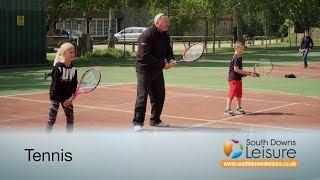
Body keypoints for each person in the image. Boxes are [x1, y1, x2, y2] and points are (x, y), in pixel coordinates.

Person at [132, 13, 176, 132]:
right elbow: (144, 55)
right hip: (144, 69)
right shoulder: (146, 35)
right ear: (157, 22)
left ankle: (155, 120)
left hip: (157, 70)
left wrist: (170, 59)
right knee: (142, 95)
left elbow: (168, 50)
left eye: (168, 21)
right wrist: (163, 64)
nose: (168, 23)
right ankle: (137, 122)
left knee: (159, 95)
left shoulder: (165, 35)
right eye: (166, 21)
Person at [44, 43, 78, 132]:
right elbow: (56, 87)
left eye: (74, 52)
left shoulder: (74, 68)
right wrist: (64, 100)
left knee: (70, 119)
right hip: (55, 96)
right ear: (63, 54)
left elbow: (74, 83)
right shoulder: (58, 68)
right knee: (52, 120)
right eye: (70, 52)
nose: (73, 54)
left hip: (67, 97)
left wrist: (72, 95)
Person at [224, 42, 258, 116]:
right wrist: (246, 73)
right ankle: (227, 109)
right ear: (237, 48)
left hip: (238, 79)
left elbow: (240, 70)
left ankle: (238, 108)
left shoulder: (239, 57)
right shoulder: (235, 57)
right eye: (242, 49)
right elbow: (236, 69)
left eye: (243, 49)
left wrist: (248, 74)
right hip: (233, 79)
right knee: (232, 94)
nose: (243, 50)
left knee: (239, 94)